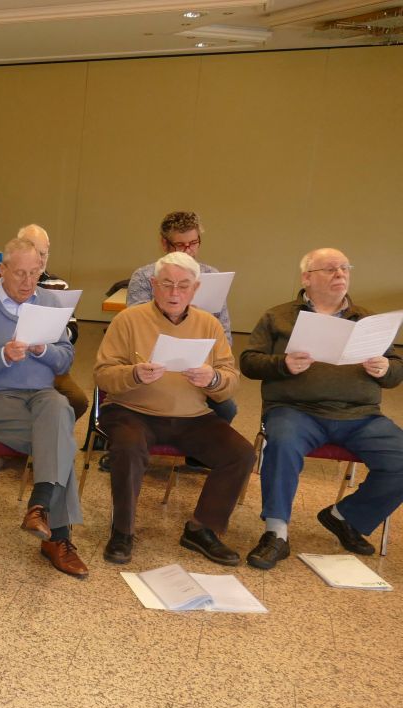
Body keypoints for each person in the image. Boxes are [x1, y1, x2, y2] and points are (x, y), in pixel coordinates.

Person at [239, 247, 403, 569]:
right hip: (295, 411)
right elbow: (248, 362)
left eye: (345, 268)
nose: (340, 274)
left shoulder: (368, 320)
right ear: (307, 278)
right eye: (330, 269)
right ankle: (276, 534)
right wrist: (283, 364)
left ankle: (345, 516)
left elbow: (396, 370)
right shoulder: (278, 316)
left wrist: (386, 369)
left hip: (361, 416)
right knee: (282, 444)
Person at [94, 251, 255, 566]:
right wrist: (134, 374)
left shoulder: (209, 324)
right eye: (166, 284)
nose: (174, 292)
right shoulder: (129, 319)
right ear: (154, 285)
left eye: (183, 285)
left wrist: (213, 379)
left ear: (196, 289)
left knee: (241, 454)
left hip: (192, 416)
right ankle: (122, 531)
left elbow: (231, 380)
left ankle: (202, 528)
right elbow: (102, 375)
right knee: (128, 447)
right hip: (131, 410)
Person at [0, 237, 87, 578]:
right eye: (20, 274)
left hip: (39, 397)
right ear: (2, 270)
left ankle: (39, 507)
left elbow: (65, 359)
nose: (28, 282)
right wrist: (1, 356)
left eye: (35, 273)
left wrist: (44, 350)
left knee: (58, 405)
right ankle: (58, 538)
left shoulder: (49, 302)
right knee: (60, 439)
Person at [125, 211, 237, 426]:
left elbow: (225, 334)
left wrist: (211, 368)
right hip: (154, 363)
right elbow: (136, 328)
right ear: (164, 244)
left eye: (193, 243)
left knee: (227, 408)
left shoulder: (211, 275)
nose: (188, 251)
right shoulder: (145, 276)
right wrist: (180, 311)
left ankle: (197, 447)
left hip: (198, 365)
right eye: (180, 245)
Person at [16, 223, 88, 420]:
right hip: (13, 362)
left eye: (44, 253)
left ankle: (50, 428)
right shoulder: (3, 284)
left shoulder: (58, 285)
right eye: (35, 252)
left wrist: (52, 333)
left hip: (48, 361)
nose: (40, 259)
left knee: (78, 400)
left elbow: (72, 331)